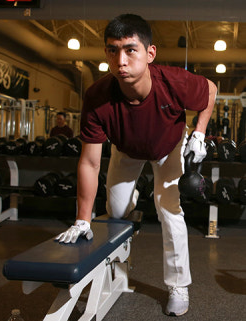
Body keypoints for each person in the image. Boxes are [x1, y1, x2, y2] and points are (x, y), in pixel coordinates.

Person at [56, 14, 217, 317]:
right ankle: (123, 235)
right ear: (106, 53)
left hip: (169, 148)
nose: (121, 60)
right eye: (113, 50)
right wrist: (82, 218)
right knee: (115, 213)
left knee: (169, 211)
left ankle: (178, 285)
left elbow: (210, 89)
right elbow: (90, 162)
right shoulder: (97, 96)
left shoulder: (172, 81)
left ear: (149, 53)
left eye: (130, 49)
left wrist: (199, 132)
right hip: (127, 150)